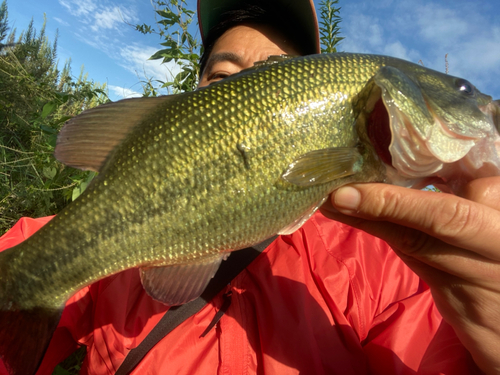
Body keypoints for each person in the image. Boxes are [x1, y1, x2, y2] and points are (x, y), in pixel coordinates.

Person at [1, 0, 500, 374]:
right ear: (194, 96)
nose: (248, 83)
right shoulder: (69, 244)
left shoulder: (387, 274)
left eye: (277, 70)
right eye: (223, 73)